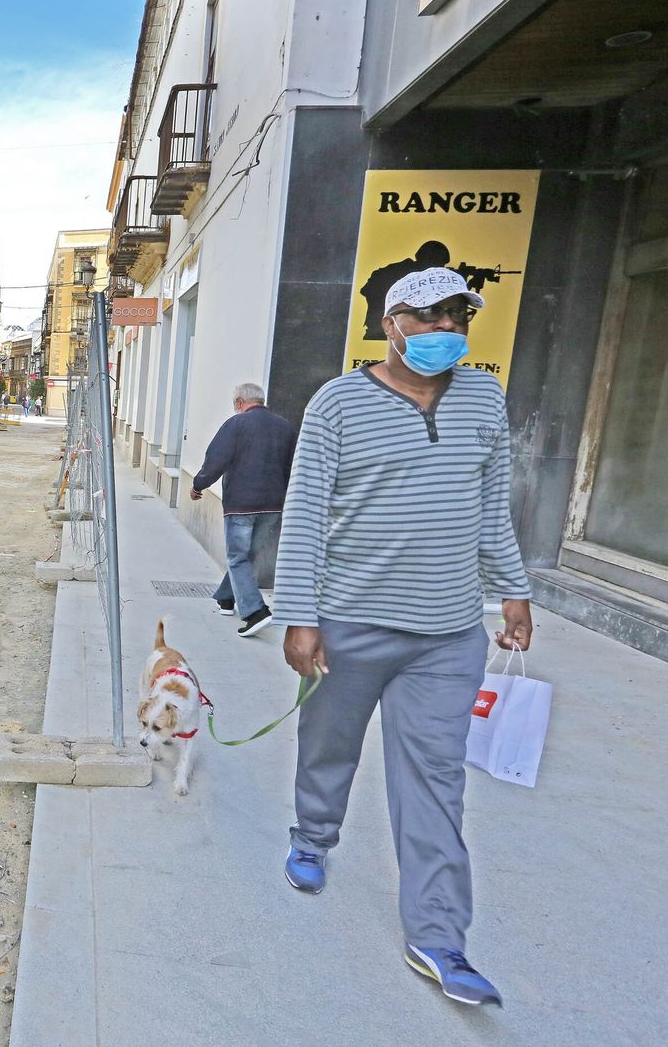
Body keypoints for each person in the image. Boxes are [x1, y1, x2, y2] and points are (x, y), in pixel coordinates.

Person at [273, 266, 533, 1008]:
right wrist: (300, 615)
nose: (448, 333)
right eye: (431, 320)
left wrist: (514, 589)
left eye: (460, 320)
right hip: (349, 622)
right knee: (329, 746)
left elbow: (492, 506)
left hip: (448, 635)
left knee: (436, 783)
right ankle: (313, 836)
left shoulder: (485, 396)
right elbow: (304, 517)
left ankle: (441, 937)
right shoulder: (337, 404)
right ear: (391, 325)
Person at [189, 382, 294, 637]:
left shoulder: (235, 425)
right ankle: (226, 598)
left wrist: (198, 485)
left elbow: (216, 459)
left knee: (238, 557)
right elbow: (293, 466)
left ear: (239, 403)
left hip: (241, 506)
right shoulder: (285, 427)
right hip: (273, 506)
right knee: (248, 556)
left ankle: (256, 612)